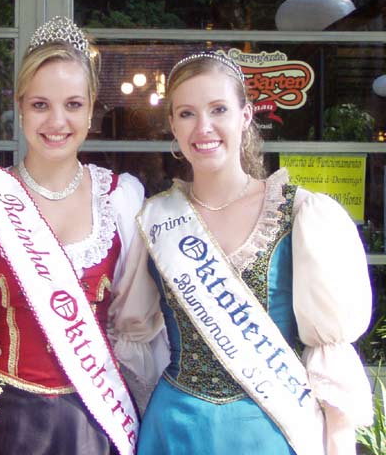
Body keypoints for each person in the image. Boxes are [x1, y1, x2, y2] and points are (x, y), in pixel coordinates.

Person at [128, 51, 373, 455]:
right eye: (187, 114)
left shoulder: (301, 214)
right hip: (176, 431)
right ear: (172, 125)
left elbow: (330, 352)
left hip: (273, 432)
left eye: (218, 109)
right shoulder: (156, 219)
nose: (203, 127)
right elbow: (135, 336)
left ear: (245, 116)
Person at [0, 17, 163, 455]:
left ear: (91, 109)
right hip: (5, 422)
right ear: (20, 107)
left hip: (95, 421)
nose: (57, 121)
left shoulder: (120, 200)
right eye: (41, 105)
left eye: (73, 104)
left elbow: (133, 325)